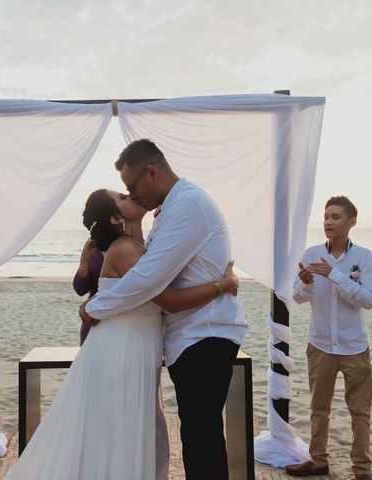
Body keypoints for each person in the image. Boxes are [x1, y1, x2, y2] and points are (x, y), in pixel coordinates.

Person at [4, 188, 239, 480]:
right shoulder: (125, 250)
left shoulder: (143, 246)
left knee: (133, 432)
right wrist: (223, 286)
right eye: (123, 198)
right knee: (122, 433)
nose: (131, 195)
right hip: (121, 349)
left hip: (138, 346)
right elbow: (171, 300)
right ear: (116, 218)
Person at [80, 139, 247, 480]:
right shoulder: (170, 210)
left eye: (131, 186)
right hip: (191, 337)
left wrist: (97, 305)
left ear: (152, 172)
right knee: (199, 438)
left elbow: (149, 278)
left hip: (205, 334)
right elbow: (154, 279)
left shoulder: (187, 206)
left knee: (202, 440)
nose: (132, 193)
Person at [285, 196, 372, 480]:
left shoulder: (364, 257)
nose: (328, 222)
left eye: (335, 217)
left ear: (352, 223)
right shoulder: (311, 252)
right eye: (326, 216)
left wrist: (335, 275)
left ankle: (361, 469)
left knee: (359, 413)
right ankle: (318, 460)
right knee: (318, 409)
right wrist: (307, 283)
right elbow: (298, 297)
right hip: (320, 344)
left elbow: (368, 300)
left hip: (354, 347)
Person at [72, 238, 103, 345]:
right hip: (91, 318)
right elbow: (80, 289)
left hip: (119, 316)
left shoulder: (129, 245)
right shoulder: (94, 247)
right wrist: (84, 259)